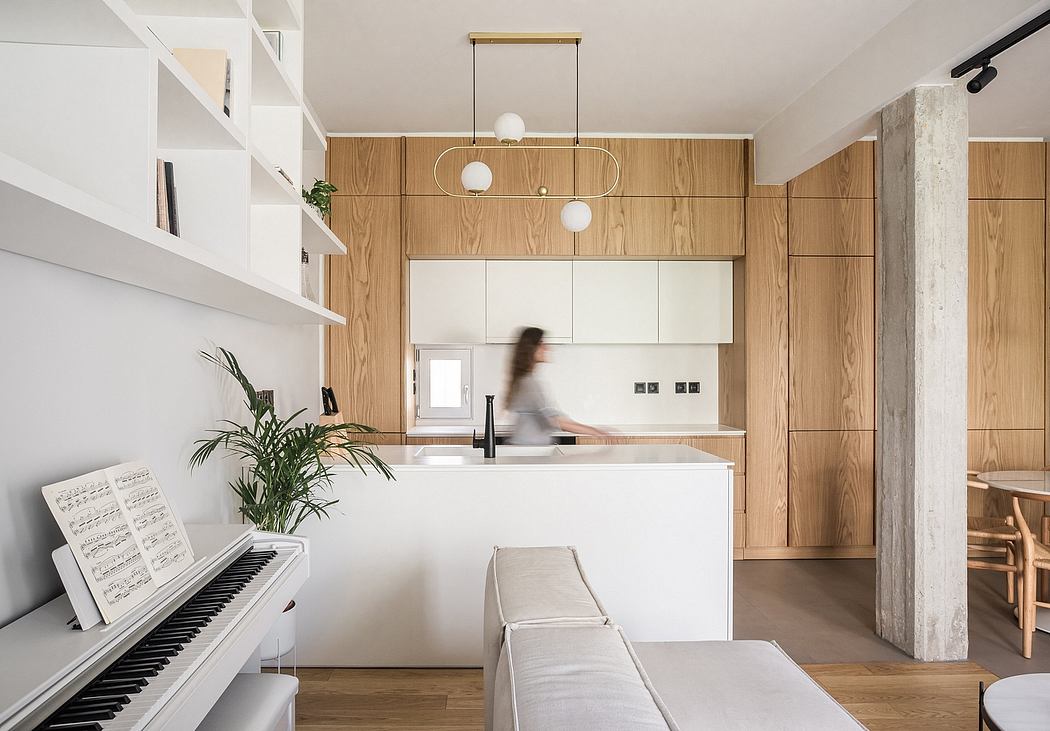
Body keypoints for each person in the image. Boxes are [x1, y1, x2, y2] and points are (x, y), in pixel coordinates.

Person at [505, 327, 609, 445]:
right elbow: (555, 421)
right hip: (527, 451)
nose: (547, 348)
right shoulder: (529, 384)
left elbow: (554, 419)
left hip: (529, 449)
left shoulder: (527, 380)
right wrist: (597, 432)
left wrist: (596, 431)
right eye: (541, 343)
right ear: (530, 348)